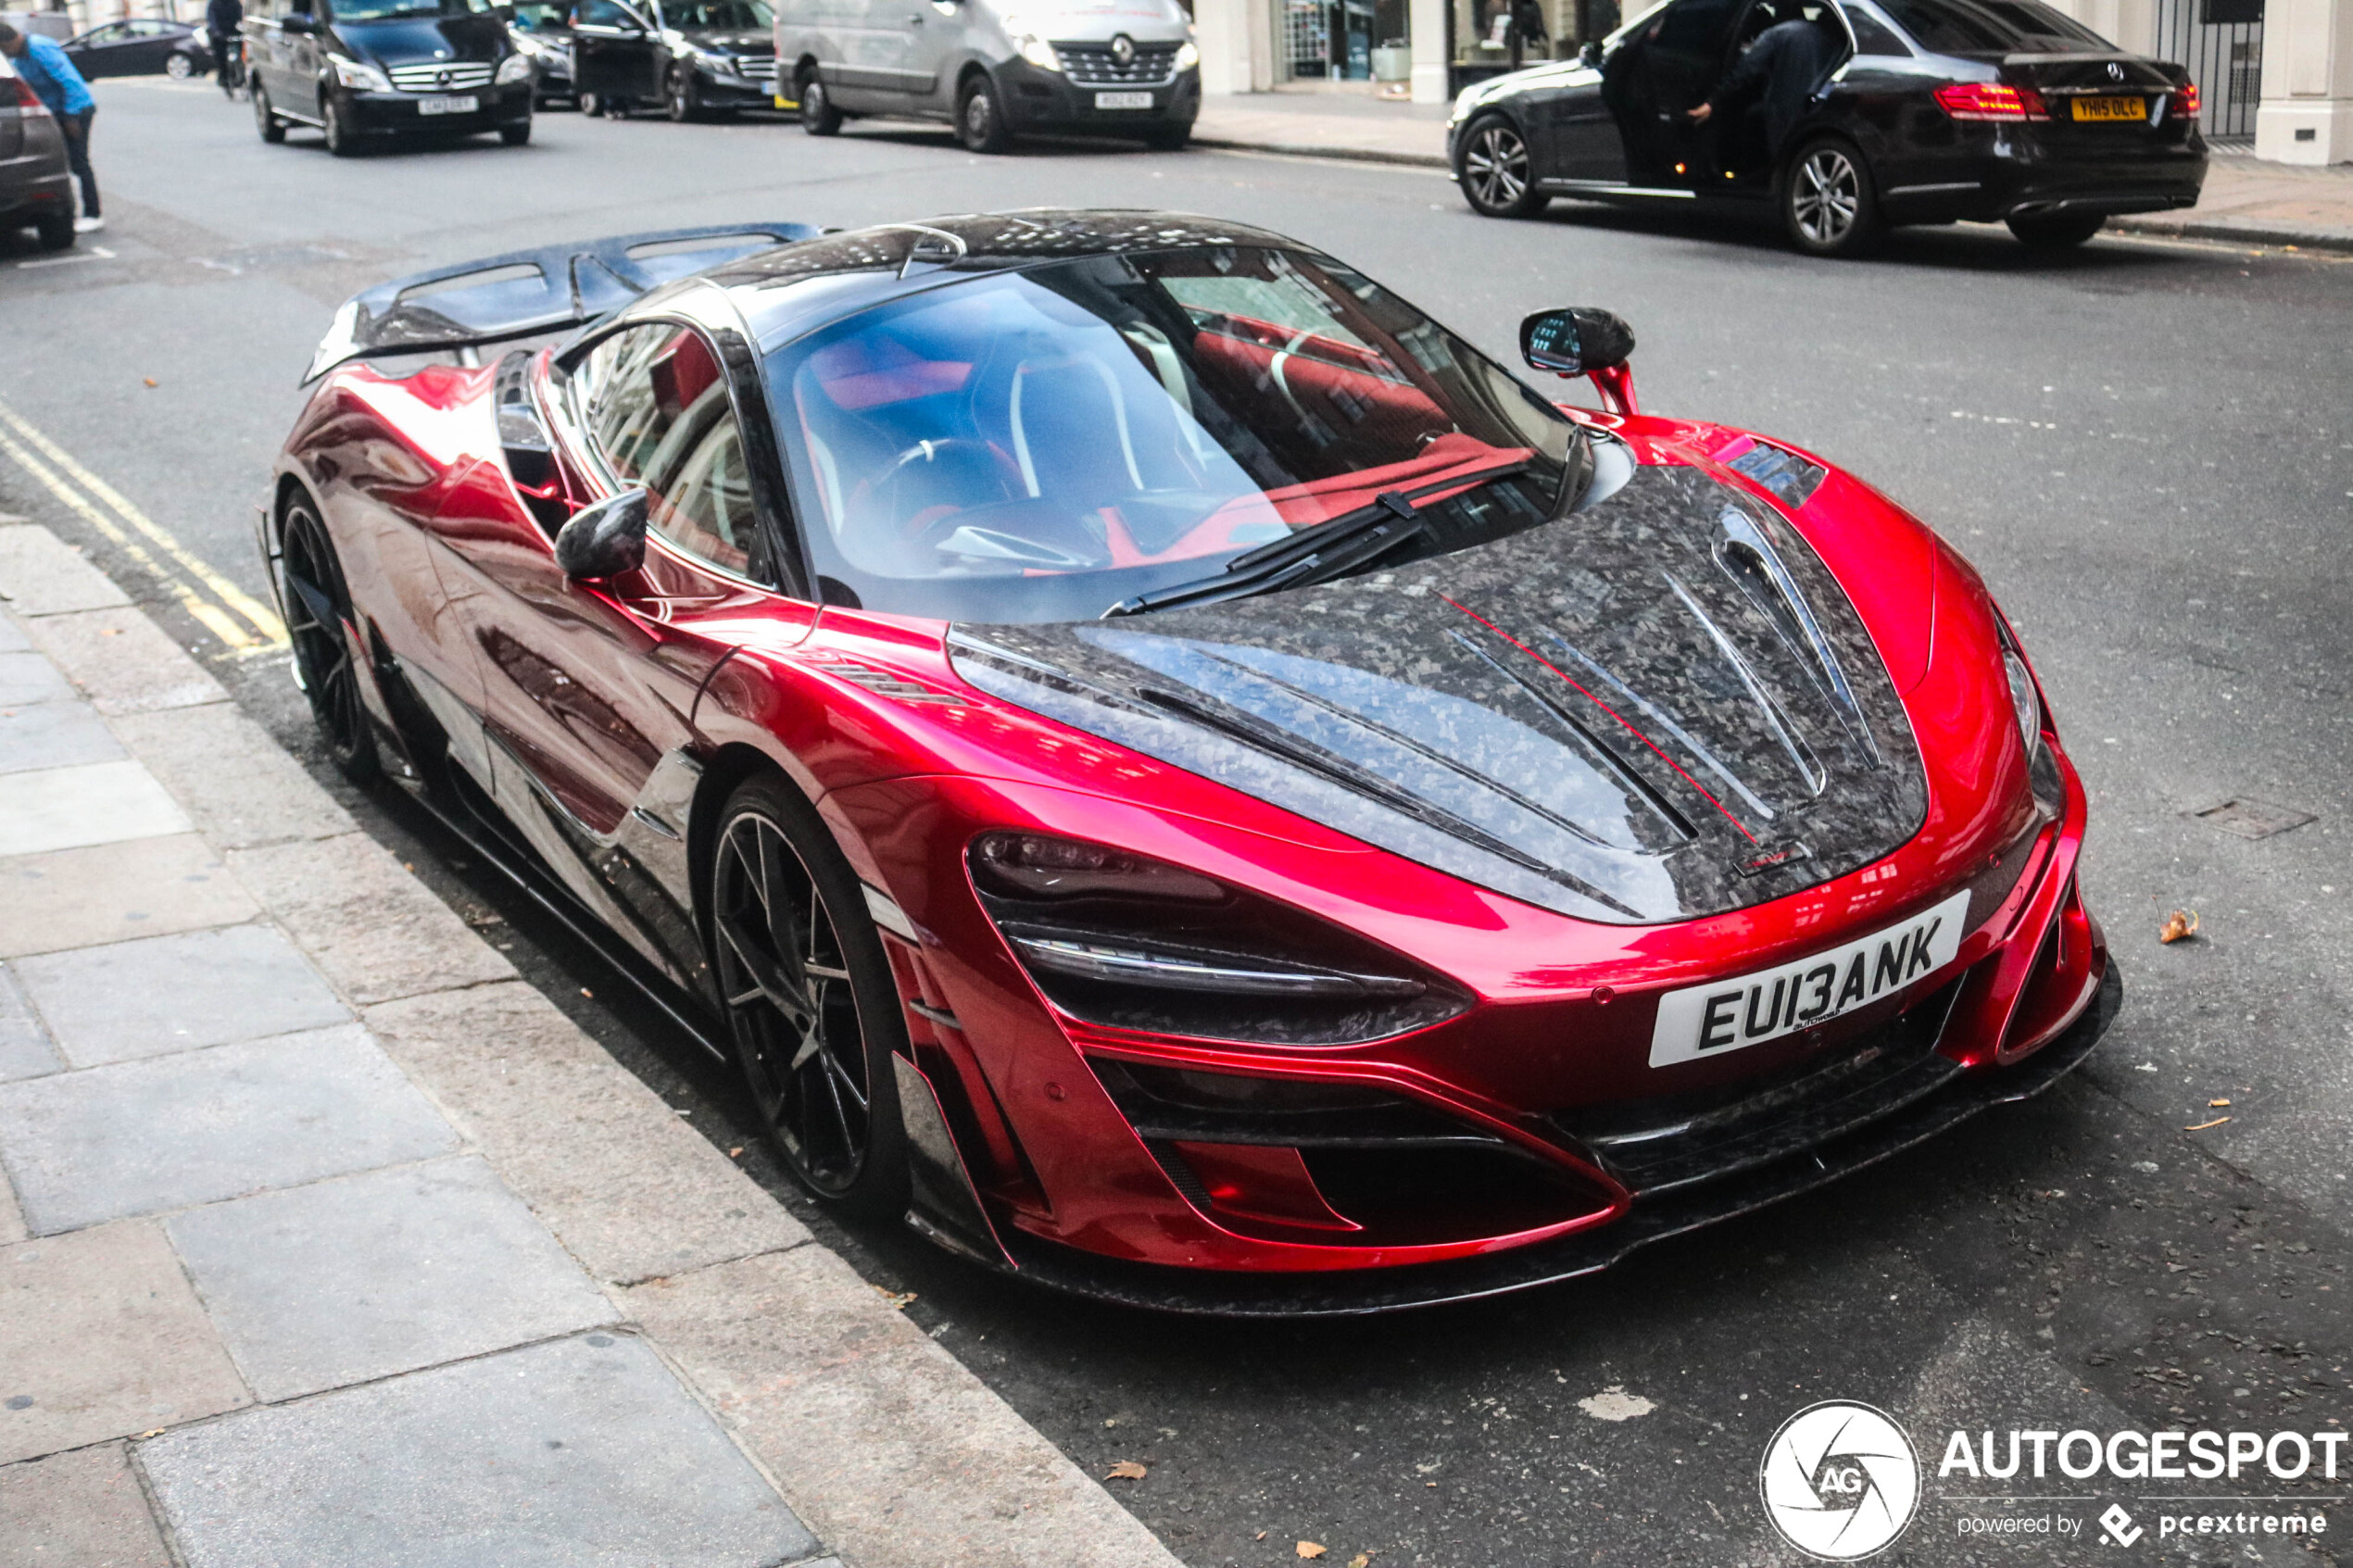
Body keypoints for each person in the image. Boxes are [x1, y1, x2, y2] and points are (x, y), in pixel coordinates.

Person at [1686, 4, 1834, 163]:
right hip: (1817, 111)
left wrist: (1712, 102)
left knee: (1753, 120)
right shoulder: (1828, 37)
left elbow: (1745, 70)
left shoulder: (1777, 34)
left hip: (1784, 113)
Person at [0, 22, 99, 233]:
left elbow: (71, 82)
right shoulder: (21, 55)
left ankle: (93, 214)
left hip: (76, 109)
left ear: (10, 41)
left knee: (79, 162)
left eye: (4, 49)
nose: (6, 54)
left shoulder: (39, 48)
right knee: (65, 162)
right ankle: (73, 213)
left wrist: (71, 117)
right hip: (58, 112)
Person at [206, 0, 245, 95]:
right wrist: (216, 32)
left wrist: (242, 28)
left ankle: (242, 77)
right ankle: (223, 78)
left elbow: (240, 16)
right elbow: (212, 19)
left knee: (240, 54)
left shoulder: (235, 3)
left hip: (234, 32)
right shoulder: (214, 3)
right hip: (219, 34)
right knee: (221, 58)